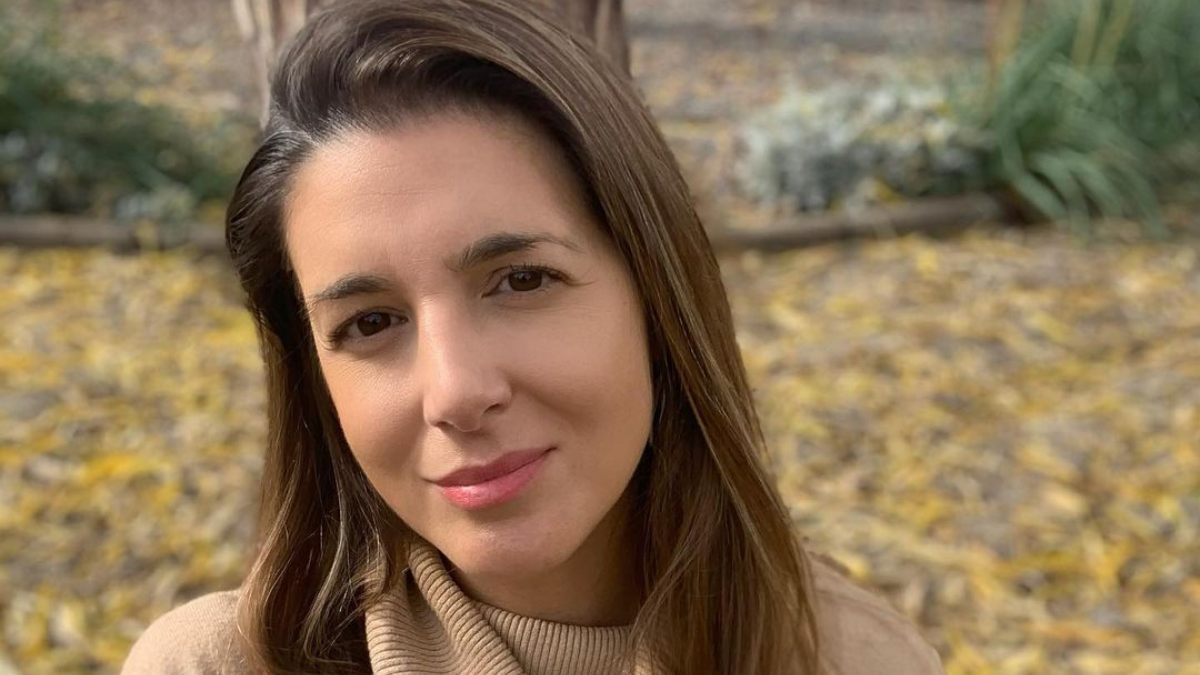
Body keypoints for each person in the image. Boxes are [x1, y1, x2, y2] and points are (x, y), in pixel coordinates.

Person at [122, 0, 945, 673]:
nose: (455, 392)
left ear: (657, 292)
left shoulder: (855, 657)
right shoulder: (210, 665)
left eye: (521, 280)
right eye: (370, 322)